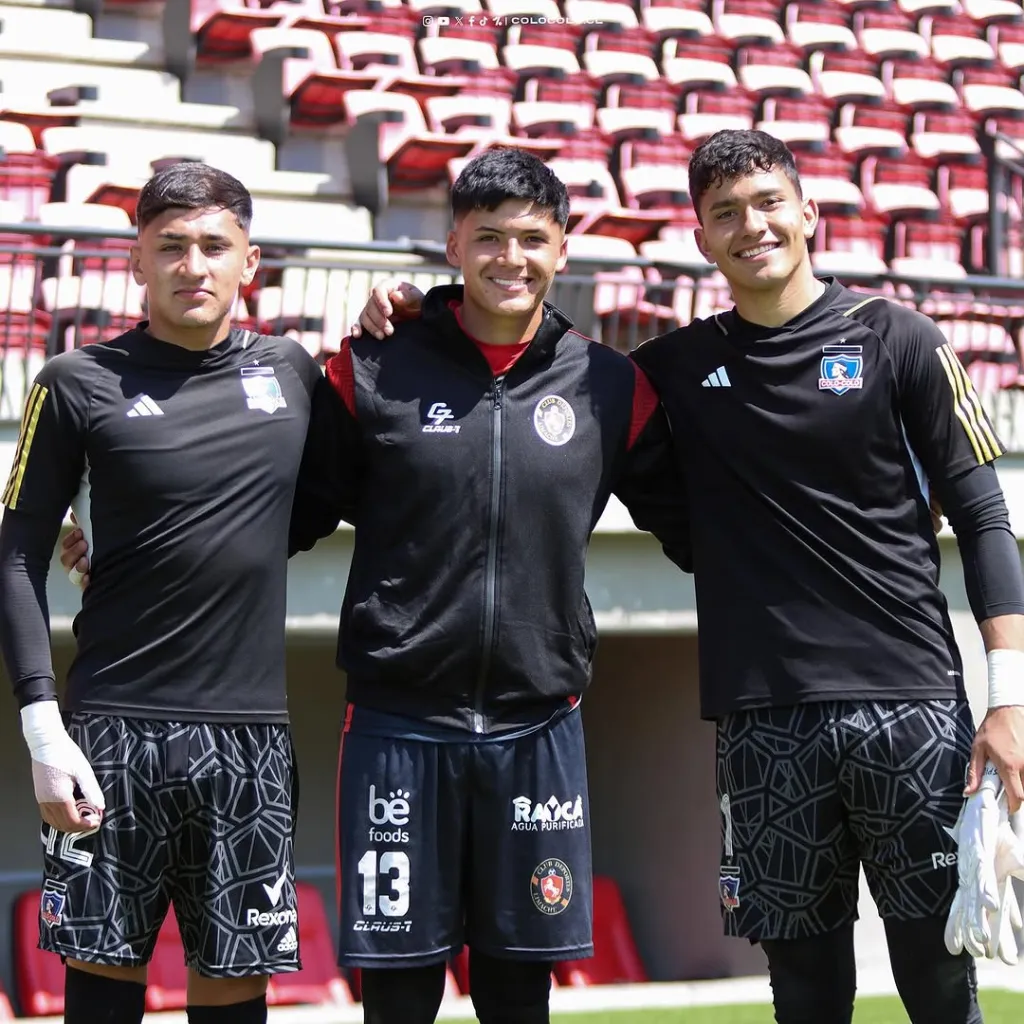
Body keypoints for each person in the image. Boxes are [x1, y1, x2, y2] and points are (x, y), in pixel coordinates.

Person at [352, 130, 1024, 1024]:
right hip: (762, 722)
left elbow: (984, 518)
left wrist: (1009, 698)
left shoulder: (899, 339)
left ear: (809, 212)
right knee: (805, 997)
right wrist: (414, 311)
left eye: (768, 204)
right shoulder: (661, 374)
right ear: (703, 240)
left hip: (908, 710)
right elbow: (527, 372)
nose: (752, 227)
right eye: (726, 215)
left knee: (940, 987)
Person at [282, 147, 691, 1024]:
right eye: (491, 237)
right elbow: (283, 515)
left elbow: (701, 525)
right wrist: (125, 535)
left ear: (564, 248)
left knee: (517, 995)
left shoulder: (609, 384)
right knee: (397, 998)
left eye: (533, 239)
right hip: (398, 724)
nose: (512, 258)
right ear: (453, 246)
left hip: (539, 726)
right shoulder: (375, 368)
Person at [0, 162, 328, 1024]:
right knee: (101, 996)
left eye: (214, 247)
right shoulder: (74, 383)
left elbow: (332, 503)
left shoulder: (294, 375)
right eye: (171, 247)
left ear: (249, 262)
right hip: (109, 737)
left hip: (250, 742)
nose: (194, 266)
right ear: (136, 260)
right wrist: (43, 732)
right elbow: (14, 555)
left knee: (233, 999)